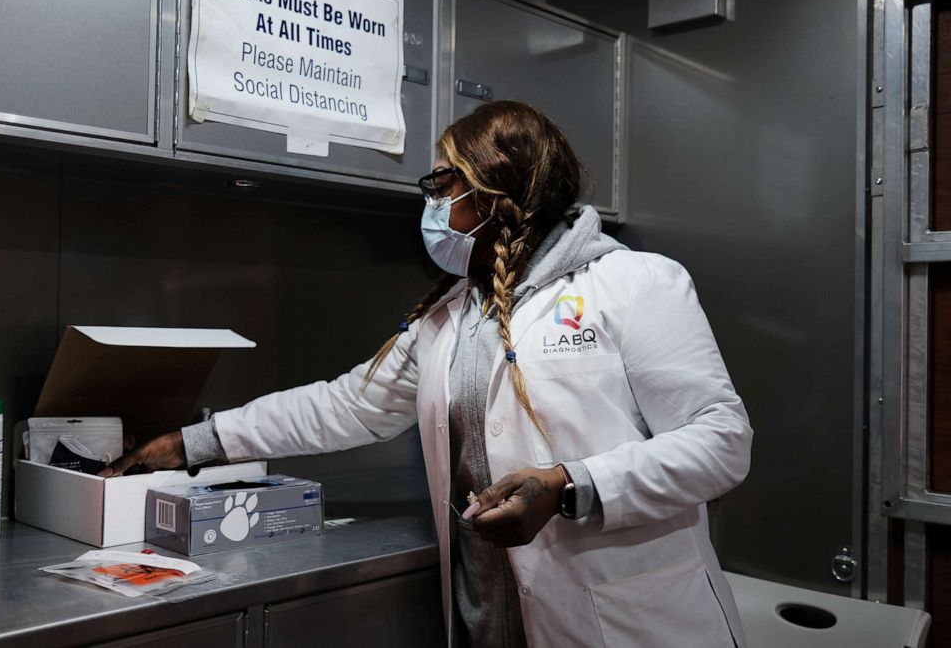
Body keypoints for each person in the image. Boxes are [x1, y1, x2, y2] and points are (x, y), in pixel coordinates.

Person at [102, 101, 753, 647]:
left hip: (628, 622)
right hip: (490, 619)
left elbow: (721, 440)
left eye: (444, 184)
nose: (433, 202)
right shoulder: (453, 316)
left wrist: (567, 485)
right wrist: (193, 442)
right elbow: (345, 405)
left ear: (499, 193)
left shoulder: (633, 283)